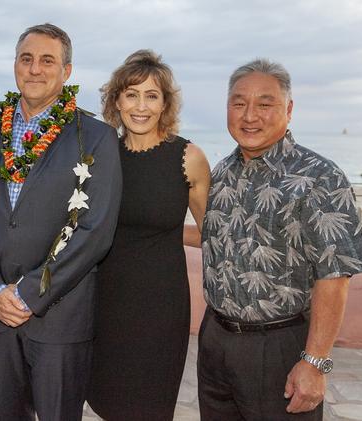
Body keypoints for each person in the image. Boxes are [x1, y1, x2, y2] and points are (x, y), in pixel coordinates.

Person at [0, 24, 122, 420]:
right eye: (26, 59)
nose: (34, 69)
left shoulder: (95, 137)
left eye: (47, 60)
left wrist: (29, 292)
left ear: (67, 71)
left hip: (59, 321)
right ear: (15, 64)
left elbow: (95, 231)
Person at [198, 58, 362, 420]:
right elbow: (217, 235)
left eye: (265, 104)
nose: (250, 115)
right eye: (239, 103)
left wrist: (315, 362)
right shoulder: (223, 172)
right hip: (215, 340)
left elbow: (335, 275)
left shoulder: (319, 177)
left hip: (278, 346)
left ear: (289, 110)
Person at [87, 50, 211, 420]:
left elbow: (213, 234)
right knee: (108, 403)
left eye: (151, 95)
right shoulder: (100, 155)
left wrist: (168, 233)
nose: (141, 106)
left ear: (165, 103)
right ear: (116, 101)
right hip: (105, 301)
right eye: (132, 94)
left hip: (160, 307)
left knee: (148, 407)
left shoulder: (188, 158)